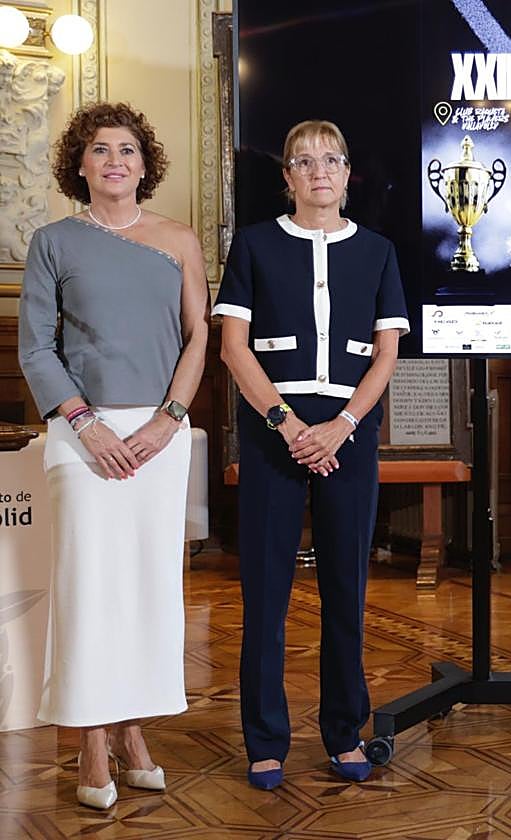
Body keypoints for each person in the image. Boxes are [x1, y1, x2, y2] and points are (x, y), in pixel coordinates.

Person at [18, 102, 208, 809]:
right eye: (101, 150)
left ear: (144, 163)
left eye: (127, 149)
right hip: (79, 436)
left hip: (160, 437)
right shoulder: (52, 242)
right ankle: (91, 744)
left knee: (145, 592)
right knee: (89, 594)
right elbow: (36, 347)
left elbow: (198, 339)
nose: (115, 160)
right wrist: (85, 424)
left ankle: (132, 733)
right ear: (81, 162)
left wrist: (168, 422)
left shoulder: (178, 240)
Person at [214, 120, 408, 790]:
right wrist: (289, 424)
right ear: (287, 177)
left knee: (345, 595)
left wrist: (342, 425)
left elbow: (387, 355)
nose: (319, 171)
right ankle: (265, 741)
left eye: (332, 160)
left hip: (348, 435)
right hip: (275, 431)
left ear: (348, 175)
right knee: (265, 595)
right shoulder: (256, 246)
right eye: (304, 161)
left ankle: (343, 732)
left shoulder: (379, 252)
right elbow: (233, 348)